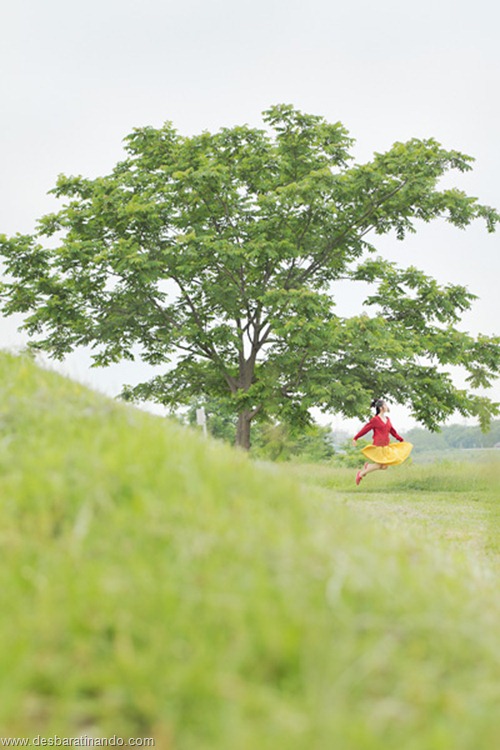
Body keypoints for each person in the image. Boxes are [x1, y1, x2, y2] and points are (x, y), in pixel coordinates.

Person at [352, 399, 412, 485]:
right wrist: (356, 438)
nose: (387, 407)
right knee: (381, 465)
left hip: (386, 445)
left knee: (384, 466)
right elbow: (365, 429)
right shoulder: (375, 420)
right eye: (385, 405)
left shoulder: (388, 419)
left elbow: (392, 431)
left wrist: (401, 439)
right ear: (381, 408)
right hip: (378, 446)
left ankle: (368, 467)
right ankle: (361, 474)